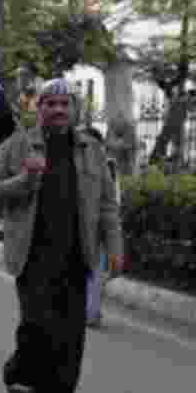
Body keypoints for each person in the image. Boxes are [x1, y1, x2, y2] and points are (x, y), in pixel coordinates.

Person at [0, 78, 123, 393]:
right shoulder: (18, 145)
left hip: (77, 255)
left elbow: (108, 204)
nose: (59, 110)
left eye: (65, 104)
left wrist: (116, 249)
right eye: (51, 104)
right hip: (32, 253)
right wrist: (25, 179)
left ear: (74, 109)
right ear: (39, 107)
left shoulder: (92, 149)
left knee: (69, 333)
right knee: (36, 325)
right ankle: (21, 382)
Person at [83, 127, 120, 327]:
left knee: (95, 271)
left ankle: (91, 312)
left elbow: (113, 200)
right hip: (82, 226)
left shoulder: (108, 166)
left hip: (97, 228)